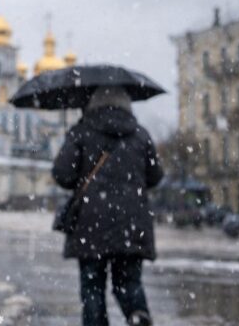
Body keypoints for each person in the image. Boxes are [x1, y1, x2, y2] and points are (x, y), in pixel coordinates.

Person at [51, 86, 164, 326]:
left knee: (93, 287)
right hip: (133, 223)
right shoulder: (140, 134)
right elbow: (155, 176)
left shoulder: (81, 132)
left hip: (91, 223)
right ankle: (137, 315)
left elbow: (62, 175)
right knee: (129, 282)